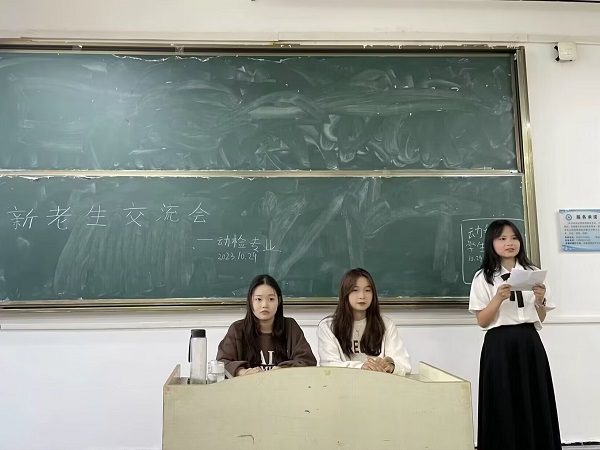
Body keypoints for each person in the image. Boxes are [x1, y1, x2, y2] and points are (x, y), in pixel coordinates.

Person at [469, 219, 561, 450]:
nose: (509, 243)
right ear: (491, 243)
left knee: (534, 396)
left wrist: (540, 300)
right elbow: (482, 320)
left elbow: (541, 318)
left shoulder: (533, 273)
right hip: (499, 344)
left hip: (529, 341)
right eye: (502, 238)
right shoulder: (484, 277)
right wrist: (498, 299)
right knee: (502, 398)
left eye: (514, 238)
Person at [216, 274, 317, 377]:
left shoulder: (290, 327)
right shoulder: (237, 329)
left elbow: (307, 361)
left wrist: (284, 369)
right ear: (250, 301)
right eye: (258, 299)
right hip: (247, 386)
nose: (264, 305)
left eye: (271, 299)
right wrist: (242, 372)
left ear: (279, 301)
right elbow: (221, 363)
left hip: (282, 386)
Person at [317, 268, 411, 375]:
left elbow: (405, 365)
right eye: (355, 290)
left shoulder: (386, 325)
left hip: (378, 382)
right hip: (344, 383)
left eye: (367, 290)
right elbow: (329, 365)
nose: (362, 296)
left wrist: (391, 366)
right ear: (345, 294)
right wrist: (361, 367)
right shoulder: (328, 326)